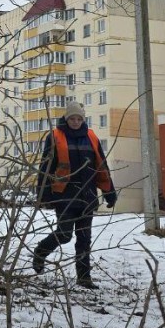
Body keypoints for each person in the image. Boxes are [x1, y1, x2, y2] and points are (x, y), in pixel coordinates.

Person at [32, 102, 117, 288]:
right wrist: (43, 194)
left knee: (84, 238)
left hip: (87, 195)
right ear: (66, 118)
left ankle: (84, 277)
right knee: (64, 235)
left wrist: (109, 192)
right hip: (64, 195)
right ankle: (40, 252)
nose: (76, 122)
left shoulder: (91, 137)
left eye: (79, 119)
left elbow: (101, 165)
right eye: (72, 118)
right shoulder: (55, 136)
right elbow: (46, 167)